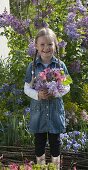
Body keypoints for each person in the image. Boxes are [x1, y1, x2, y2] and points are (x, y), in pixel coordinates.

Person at [24, 27, 70, 169]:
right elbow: (26, 88)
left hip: (55, 112)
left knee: (56, 143)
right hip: (39, 113)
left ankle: (55, 167)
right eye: (42, 44)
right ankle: (41, 167)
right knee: (39, 142)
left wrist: (56, 92)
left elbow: (67, 86)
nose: (46, 48)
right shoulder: (32, 67)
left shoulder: (60, 65)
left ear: (55, 45)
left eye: (50, 44)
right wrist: (38, 95)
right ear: (36, 46)